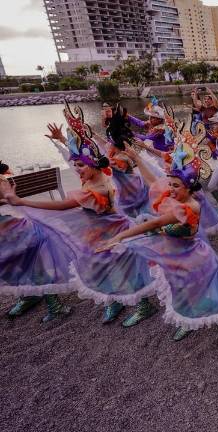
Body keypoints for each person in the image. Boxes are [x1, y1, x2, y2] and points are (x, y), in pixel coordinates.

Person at [0, 104, 162, 326]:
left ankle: (144, 305)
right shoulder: (95, 176)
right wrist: (63, 141)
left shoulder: (98, 186)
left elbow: (65, 205)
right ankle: (115, 299)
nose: (76, 169)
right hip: (99, 233)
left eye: (80, 167)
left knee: (128, 267)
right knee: (100, 265)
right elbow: (80, 157)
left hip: (114, 231)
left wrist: (21, 202)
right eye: (75, 165)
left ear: (94, 166)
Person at [98, 132, 218, 341]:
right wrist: (137, 159)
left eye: (175, 186)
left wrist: (120, 237)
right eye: (171, 184)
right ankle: (189, 318)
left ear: (188, 187)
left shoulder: (187, 207)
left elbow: (156, 222)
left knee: (208, 286)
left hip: (194, 254)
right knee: (181, 288)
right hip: (176, 253)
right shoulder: (178, 197)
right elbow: (154, 183)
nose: (170, 189)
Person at [0, 164, 75, 322]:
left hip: (12, 232)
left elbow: (8, 197)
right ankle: (30, 294)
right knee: (13, 260)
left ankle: (50, 303)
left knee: (28, 253)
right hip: (9, 232)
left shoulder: (1, 180)